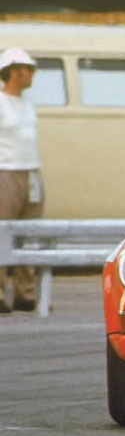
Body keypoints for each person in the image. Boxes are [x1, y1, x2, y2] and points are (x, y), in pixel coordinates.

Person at [0, 48, 42, 313]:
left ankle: (25, 292)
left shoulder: (27, 104)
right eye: (28, 70)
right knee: (2, 232)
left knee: (30, 233)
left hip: (31, 172)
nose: (31, 75)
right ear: (14, 72)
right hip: (5, 172)